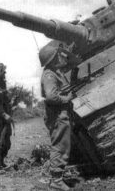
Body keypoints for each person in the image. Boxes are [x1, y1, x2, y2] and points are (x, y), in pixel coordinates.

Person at [39, 44, 75, 191]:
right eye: (57, 55)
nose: (60, 56)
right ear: (53, 58)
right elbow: (51, 96)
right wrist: (66, 99)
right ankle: (56, 180)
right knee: (60, 145)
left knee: (63, 144)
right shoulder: (49, 74)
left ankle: (55, 177)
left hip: (59, 114)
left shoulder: (55, 71)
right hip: (57, 115)